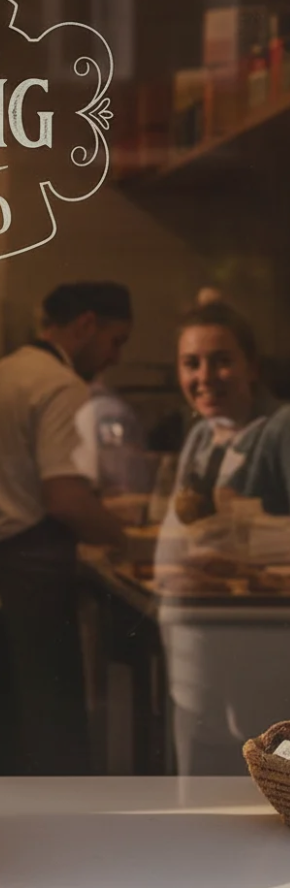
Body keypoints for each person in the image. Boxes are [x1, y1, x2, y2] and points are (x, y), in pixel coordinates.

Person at [0, 281, 131, 775]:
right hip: (27, 578)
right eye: (116, 341)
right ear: (86, 324)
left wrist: (2, 481)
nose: (114, 357)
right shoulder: (63, 385)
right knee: (51, 736)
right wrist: (125, 539)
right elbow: (65, 497)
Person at [156, 301, 290, 775]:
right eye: (191, 363)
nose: (204, 376)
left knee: (252, 786)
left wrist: (245, 538)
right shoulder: (201, 434)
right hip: (194, 643)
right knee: (198, 780)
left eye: (222, 360)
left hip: (257, 648)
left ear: (252, 366)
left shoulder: (280, 430)